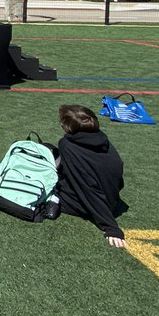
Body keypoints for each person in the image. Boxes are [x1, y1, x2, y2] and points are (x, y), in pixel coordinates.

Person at [48, 104, 127, 248]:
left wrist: (110, 227)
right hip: (112, 199)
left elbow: (85, 186)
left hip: (88, 205)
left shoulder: (67, 145)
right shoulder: (103, 139)